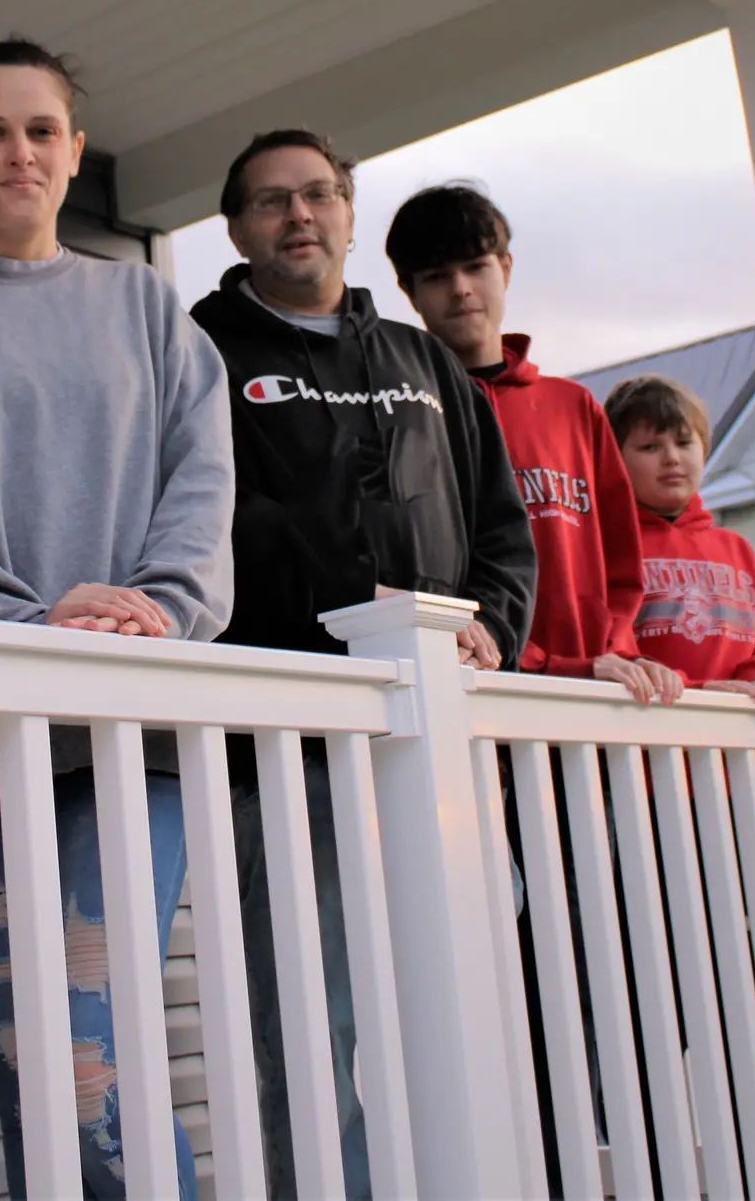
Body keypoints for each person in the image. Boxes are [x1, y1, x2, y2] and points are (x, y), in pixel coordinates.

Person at [0, 38, 233, 1201]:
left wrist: (156, 611)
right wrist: (30, 616)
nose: (19, 151)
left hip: (130, 731)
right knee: (21, 1057)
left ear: (75, 151)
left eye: (42, 130)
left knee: (95, 1051)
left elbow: (200, 483)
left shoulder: (144, 305)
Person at [190, 130, 535, 1200]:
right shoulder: (199, 348)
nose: (296, 216)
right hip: (286, 753)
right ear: (237, 227)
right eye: (268, 202)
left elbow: (499, 531)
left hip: (439, 755)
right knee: (310, 1019)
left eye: (315, 195)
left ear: (345, 209)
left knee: (465, 1007)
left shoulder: (424, 363)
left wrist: (492, 630)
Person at [385, 183, 664, 701]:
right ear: (410, 292)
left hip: (598, 690)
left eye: (476, 267)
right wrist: (539, 662)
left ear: (506, 268)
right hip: (479, 689)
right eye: (438, 276)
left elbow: (624, 562)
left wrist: (614, 651)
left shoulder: (574, 406)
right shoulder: (405, 414)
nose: (461, 288)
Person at [604, 375, 755, 718]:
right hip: (650, 738)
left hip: (739, 743)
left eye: (684, 443)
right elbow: (607, 654)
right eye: (650, 447)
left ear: (704, 450)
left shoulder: (737, 550)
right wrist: (697, 692)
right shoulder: (607, 549)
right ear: (613, 460)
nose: (671, 458)